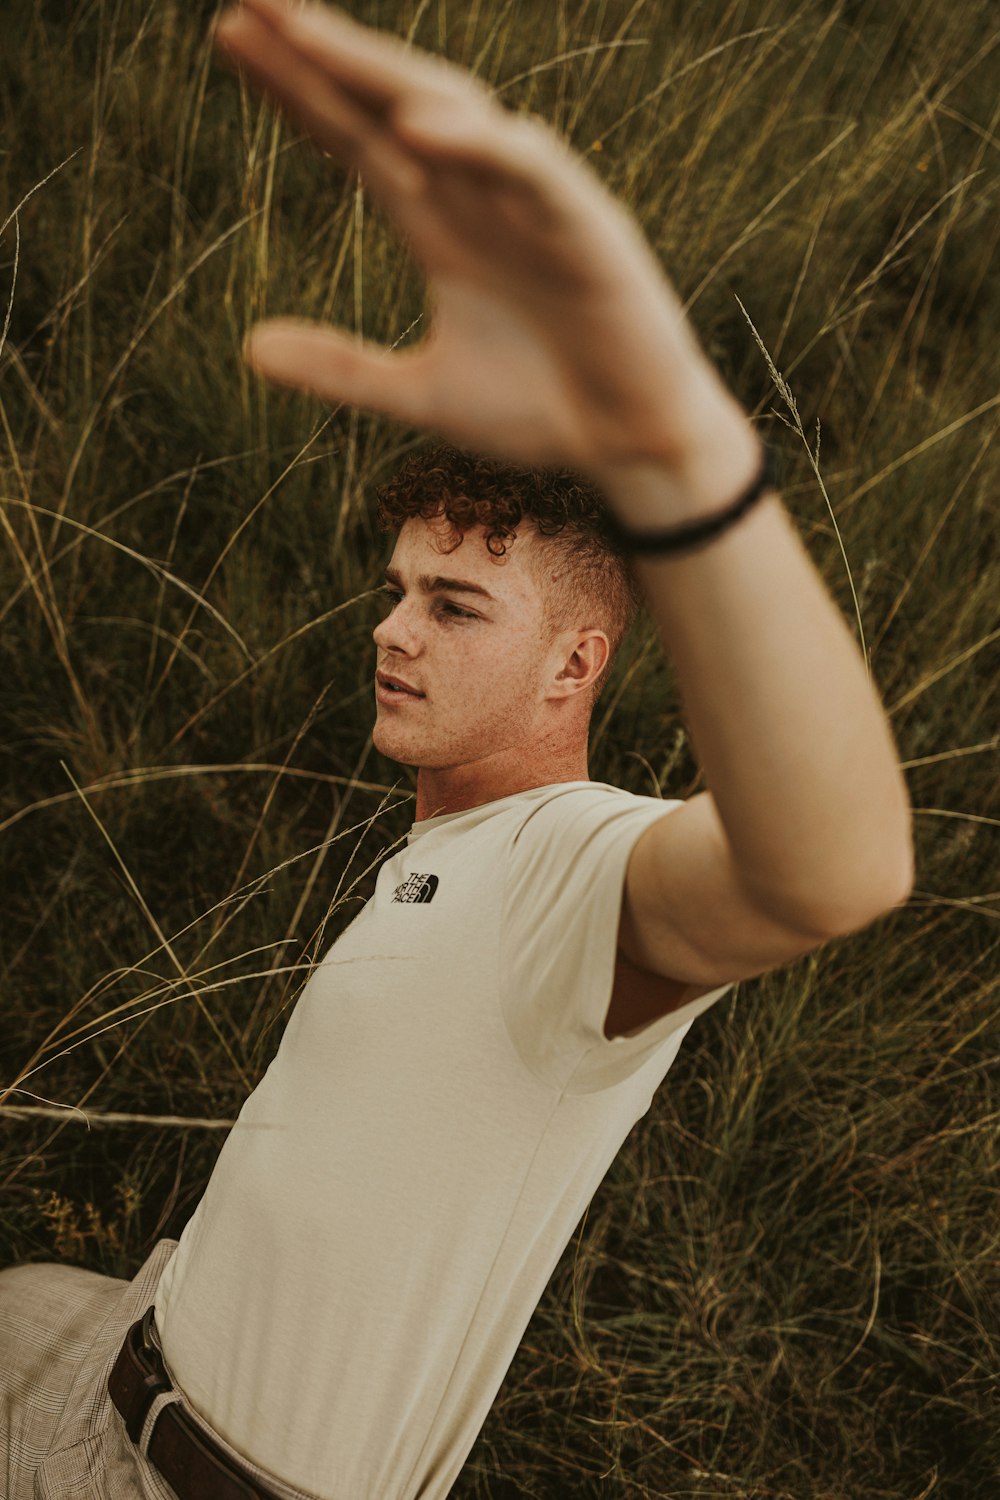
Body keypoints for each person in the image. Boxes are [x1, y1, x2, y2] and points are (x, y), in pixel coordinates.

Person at [0, 1, 915, 1497]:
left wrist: (673, 449)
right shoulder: (452, 847)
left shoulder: (574, 873)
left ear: (575, 660)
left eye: (454, 605)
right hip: (107, 1338)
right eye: (395, 593)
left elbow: (831, 868)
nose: (392, 633)